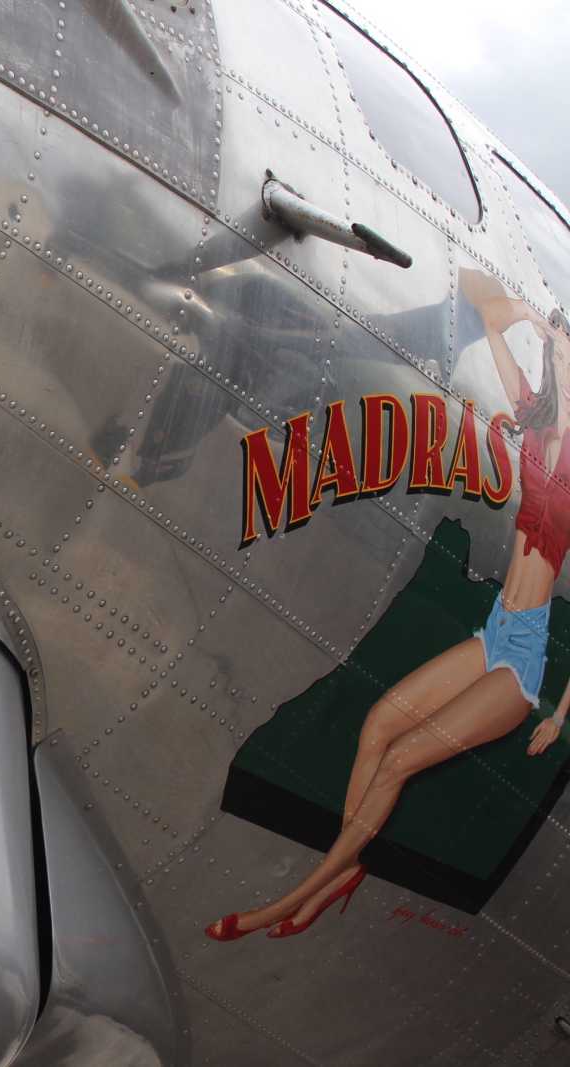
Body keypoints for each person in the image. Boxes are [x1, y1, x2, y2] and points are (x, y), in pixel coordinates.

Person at [206, 271, 570, 941]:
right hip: (494, 632)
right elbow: (485, 307)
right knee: (377, 725)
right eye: (560, 349)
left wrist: (561, 714)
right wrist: (527, 316)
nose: (561, 355)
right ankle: (344, 868)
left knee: (400, 759)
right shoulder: (533, 413)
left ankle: (293, 900)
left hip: (522, 664)